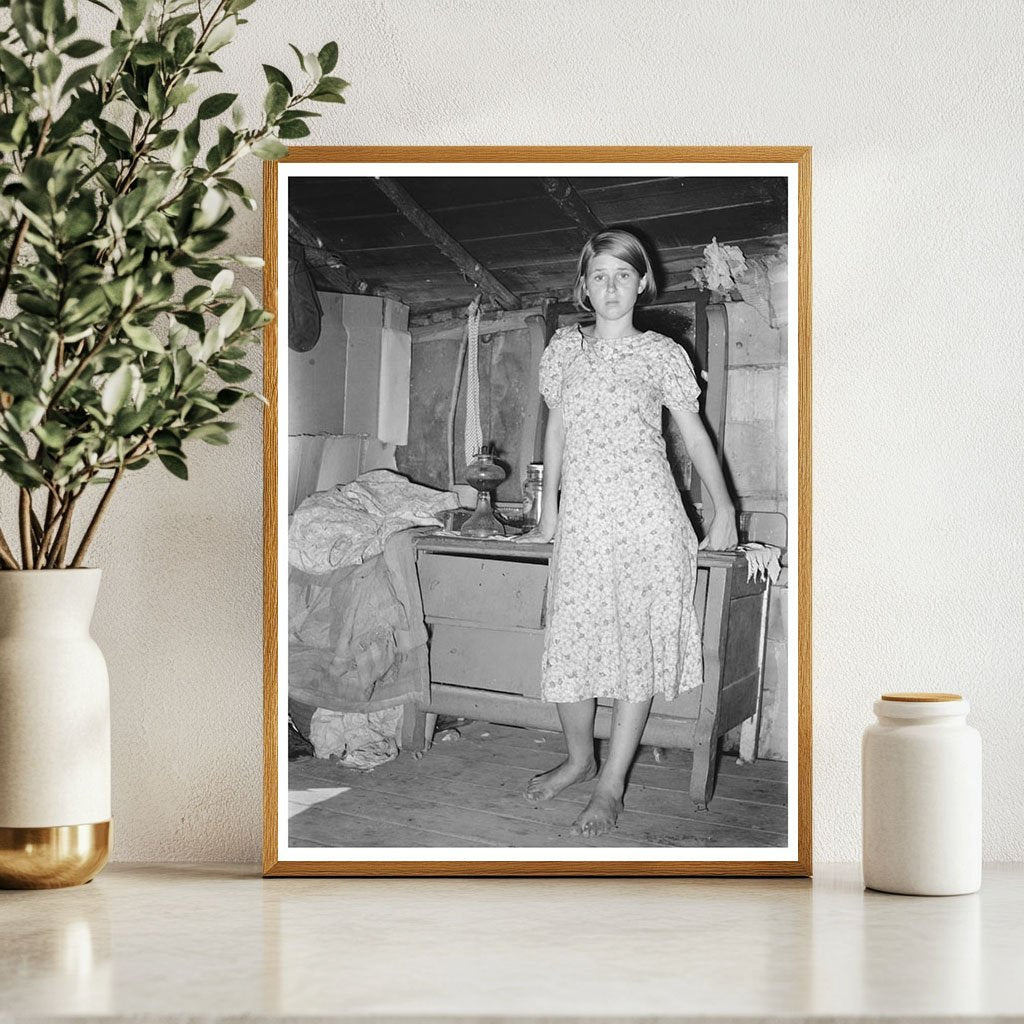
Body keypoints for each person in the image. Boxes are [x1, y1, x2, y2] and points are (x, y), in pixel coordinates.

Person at [513, 228, 738, 837]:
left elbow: (695, 437)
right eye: (598, 276)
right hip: (585, 519)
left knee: (632, 648)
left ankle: (611, 784)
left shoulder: (662, 354)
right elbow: (555, 433)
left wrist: (724, 510)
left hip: (648, 519)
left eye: (622, 275)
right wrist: (548, 510)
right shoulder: (563, 348)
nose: (610, 287)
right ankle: (581, 760)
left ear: (642, 282)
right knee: (573, 643)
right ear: (584, 287)